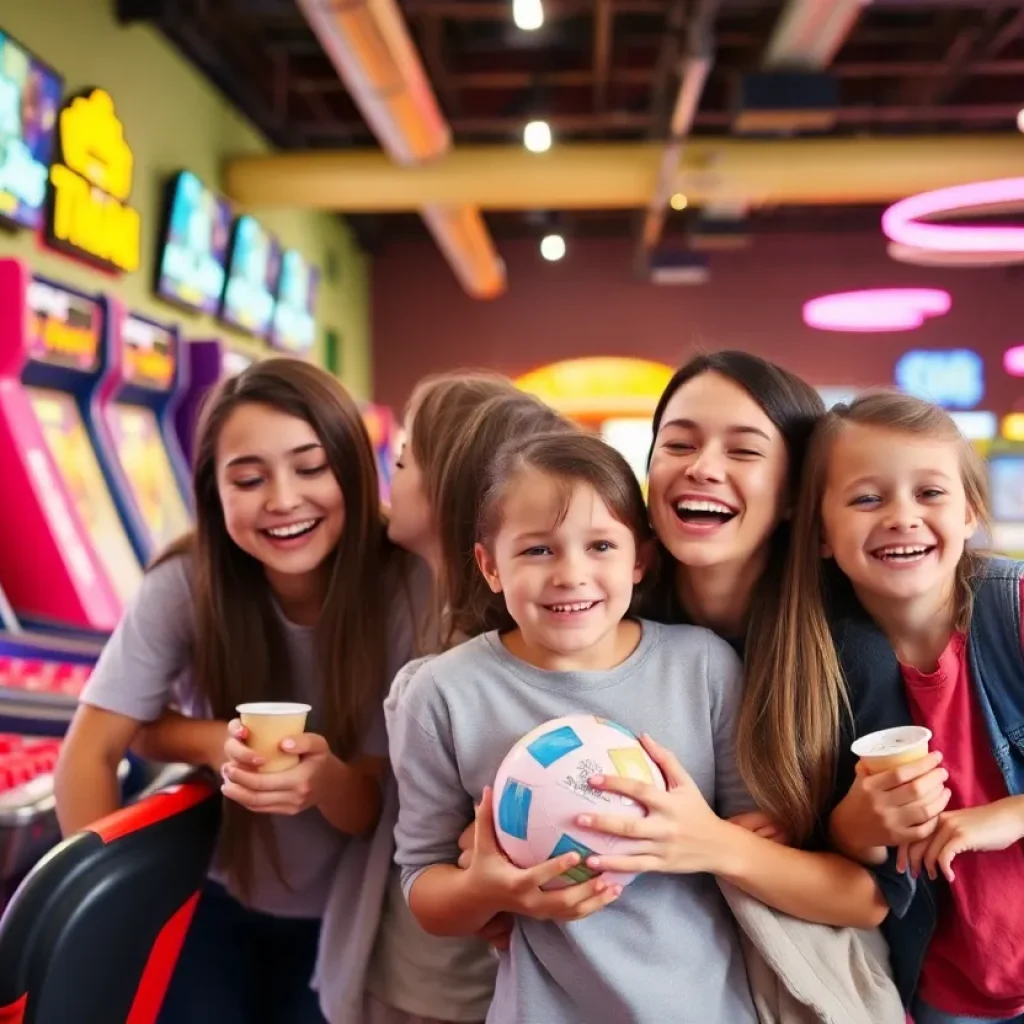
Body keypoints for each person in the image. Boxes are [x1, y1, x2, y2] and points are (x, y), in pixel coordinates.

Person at [389, 430, 892, 1024]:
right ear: (489, 565)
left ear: (640, 559)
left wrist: (712, 841)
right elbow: (424, 885)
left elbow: (767, 844)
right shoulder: (443, 693)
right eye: (537, 550)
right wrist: (491, 891)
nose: (570, 574)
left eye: (600, 545)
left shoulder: (701, 667)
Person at [54, 358, 418, 1024]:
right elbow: (89, 751)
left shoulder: (403, 586)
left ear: (354, 469)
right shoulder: (188, 581)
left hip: (352, 919)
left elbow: (370, 806)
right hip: (209, 897)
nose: (282, 500)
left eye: (311, 468)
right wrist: (114, 920)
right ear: (214, 493)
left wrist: (321, 778)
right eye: (249, 479)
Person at [776, 390, 1024, 1024]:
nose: (902, 517)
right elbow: (838, 850)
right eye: (867, 498)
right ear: (822, 534)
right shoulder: (819, 666)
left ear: (971, 512)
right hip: (941, 993)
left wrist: (1005, 815)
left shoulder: (1013, 610)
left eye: (930, 493)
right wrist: (851, 827)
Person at [367, 372, 574, 1024]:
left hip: (455, 986)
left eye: (402, 461)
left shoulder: (478, 662)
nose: (388, 480)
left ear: (448, 492)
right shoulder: (433, 602)